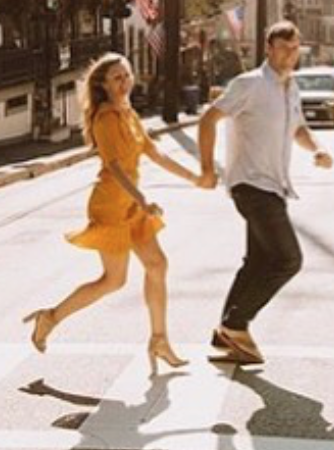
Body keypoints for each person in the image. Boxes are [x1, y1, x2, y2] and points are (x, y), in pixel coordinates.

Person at [23, 52, 213, 374]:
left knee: (157, 265)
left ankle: (159, 339)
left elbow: (155, 154)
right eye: (116, 78)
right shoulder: (106, 118)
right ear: (104, 85)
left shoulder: (129, 113)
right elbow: (114, 166)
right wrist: (142, 200)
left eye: (126, 75)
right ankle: (50, 318)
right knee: (113, 280)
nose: (123, 82)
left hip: (133, 203)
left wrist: (194, 178)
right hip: (112, 202)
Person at [197, 20, 334, 364]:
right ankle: (236, 325)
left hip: (274, 186)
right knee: (288, 260)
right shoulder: (250, 85)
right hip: (250, 183)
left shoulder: (291, 88)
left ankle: (226, 333)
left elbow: (298, 128)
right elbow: (208, 119)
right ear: (269, 48)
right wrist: (208, 168)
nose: (291, 54)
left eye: (295, 48)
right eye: (284, 47)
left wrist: (316, 147)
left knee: (257, 262)